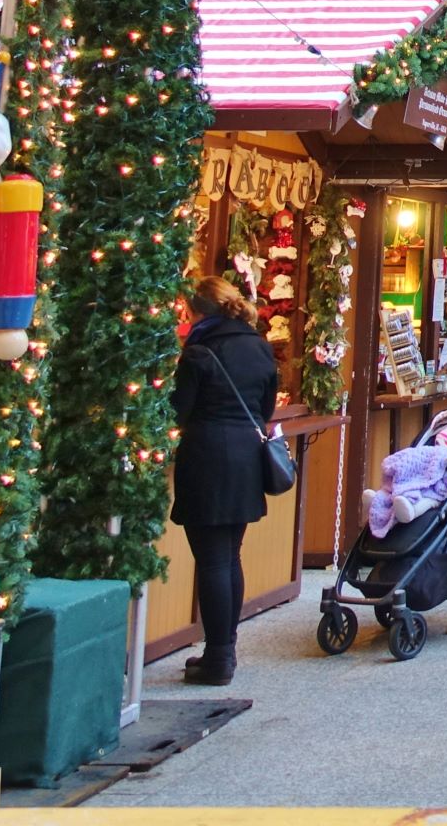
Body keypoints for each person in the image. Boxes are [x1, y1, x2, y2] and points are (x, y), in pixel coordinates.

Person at [170, 276, 282, 685]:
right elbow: (266, 406)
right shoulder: (258, 345)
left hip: (207, 457)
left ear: (198, 311)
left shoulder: (199, 350)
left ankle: (218, 658)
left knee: (213, 559)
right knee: (230, 555)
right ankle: (224, 649)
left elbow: (178, 411)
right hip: (247, 459)